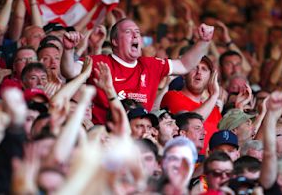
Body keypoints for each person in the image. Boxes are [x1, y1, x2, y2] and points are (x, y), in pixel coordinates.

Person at [61, 18, 214, 124]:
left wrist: (203, 41)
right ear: (114, 41)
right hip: (105, 137)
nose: (135, 35)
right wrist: (68, 50)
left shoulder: (151, 65)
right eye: (128, 32)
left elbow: (185, 65)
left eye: (138, 32)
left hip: (140, 138)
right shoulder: (100, 62)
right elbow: (69, 71)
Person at [161, 56, 221, 154]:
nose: (199, 72)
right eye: (194, 67)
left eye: (204, 69)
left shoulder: (214, 109)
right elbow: (188, 122)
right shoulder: (172, 96)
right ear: (184, 74)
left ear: (211, 77)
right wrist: (214, 95)